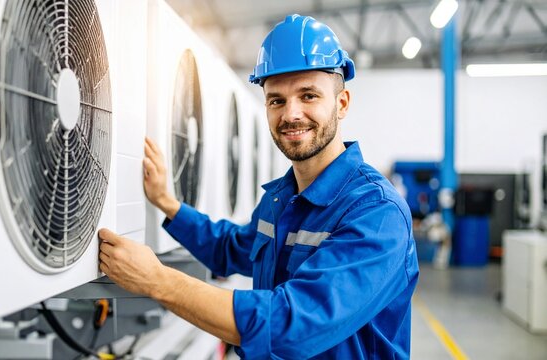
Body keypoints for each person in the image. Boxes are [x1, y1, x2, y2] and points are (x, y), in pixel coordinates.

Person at [99, 14, 419, 359]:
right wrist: (167, 203)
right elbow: (231, 248)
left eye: (308, 95)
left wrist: (157, 281)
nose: (291, 114)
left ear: (341, 104)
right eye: (277, 100)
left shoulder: (376, 212)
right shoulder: (281, 199)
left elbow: (289, 326)